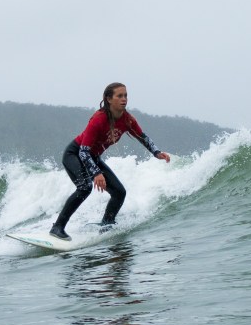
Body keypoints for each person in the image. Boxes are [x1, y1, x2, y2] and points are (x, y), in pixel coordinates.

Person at [49, 82, 171, 241]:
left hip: (92, 157)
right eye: (119, 96)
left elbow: (142, 137)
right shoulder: (99, 119)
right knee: (85, 187)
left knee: (119, 192)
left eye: (126, 95)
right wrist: (96, 173)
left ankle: (107, 225)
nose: (124, 99)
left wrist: (157, 152)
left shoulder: (127, 120)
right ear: (108, 99)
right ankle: (57, 227)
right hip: (75, 154)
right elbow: (83, 151)